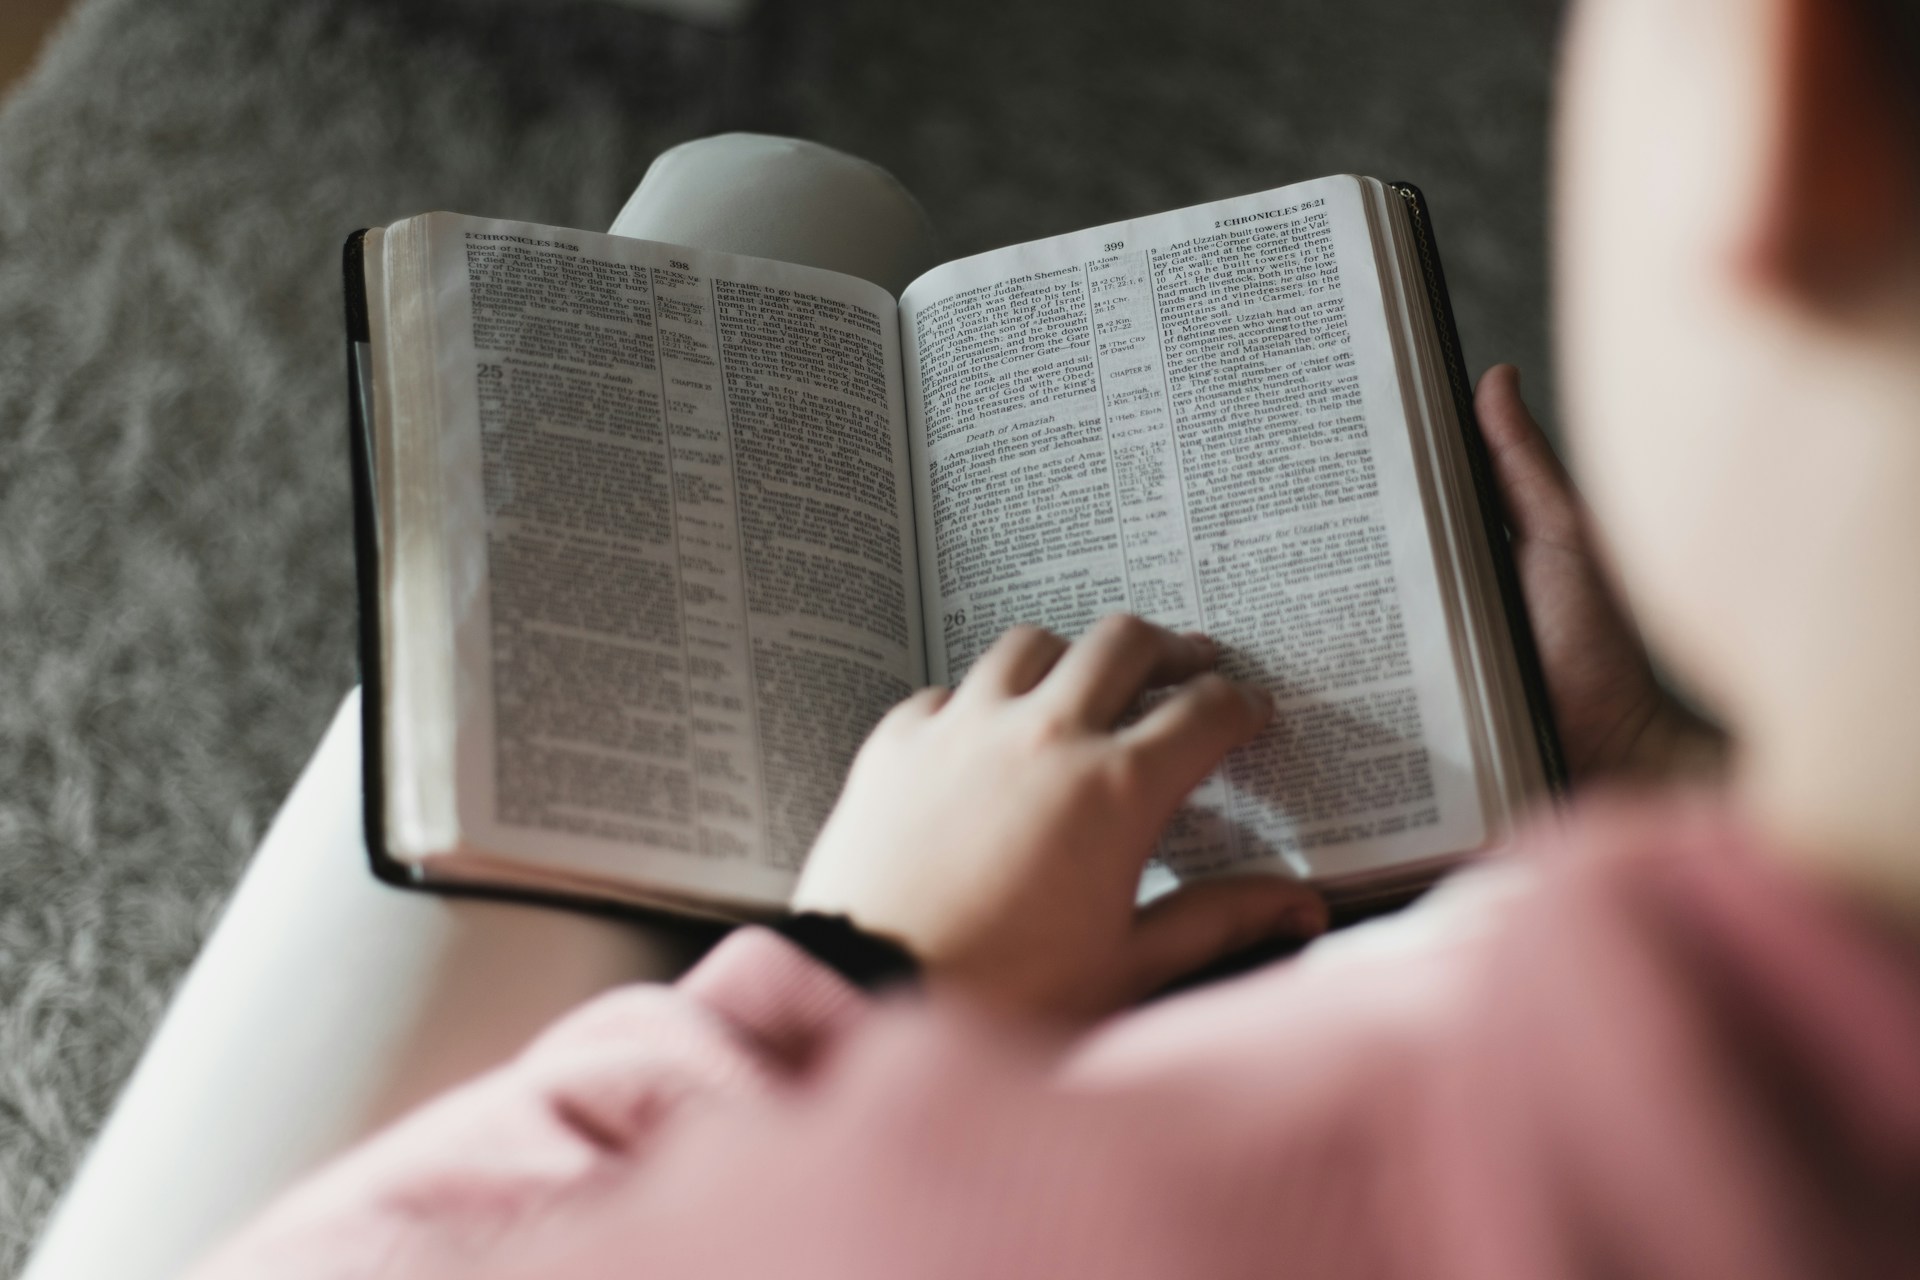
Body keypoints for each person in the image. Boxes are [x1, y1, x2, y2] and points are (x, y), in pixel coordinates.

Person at [189, 0, 1920, 1274]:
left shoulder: (1023, 1214)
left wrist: (871, 973)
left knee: (745, 214)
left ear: (1785, 100)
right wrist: (1630, 781)